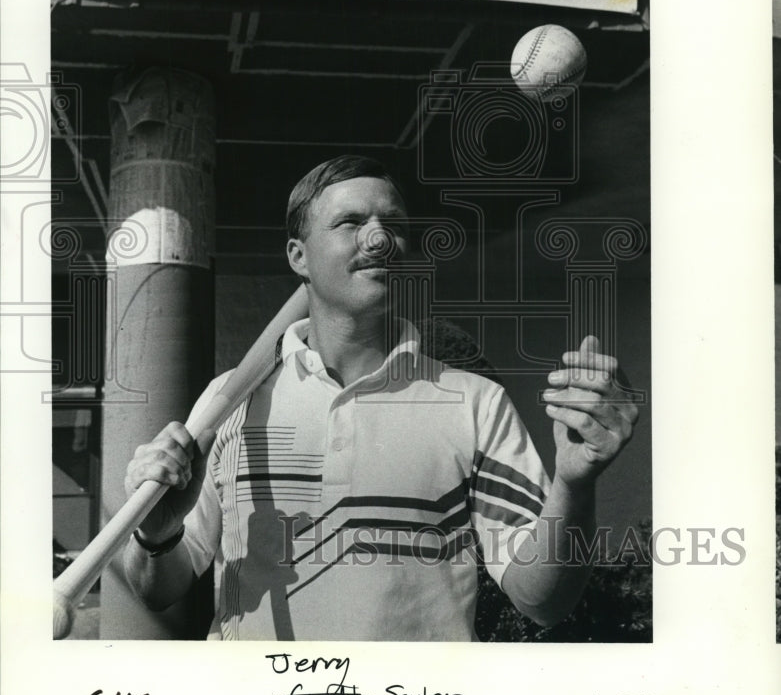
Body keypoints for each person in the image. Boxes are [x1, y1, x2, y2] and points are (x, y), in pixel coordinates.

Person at [123, 155, 638, 641]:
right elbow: (158, 588)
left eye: (393, 224)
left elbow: (539, 599)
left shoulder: (475, 404)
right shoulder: (229, 402)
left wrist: (575, 484)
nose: (379, 239)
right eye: (350, 223)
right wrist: (155, 535)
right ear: (297, 256)